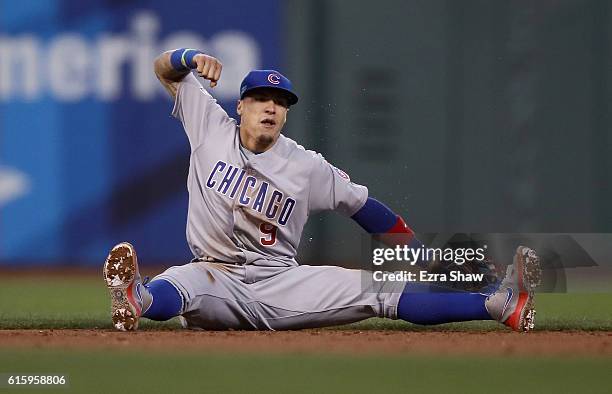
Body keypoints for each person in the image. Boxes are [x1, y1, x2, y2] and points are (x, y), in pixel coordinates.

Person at [103, 48, 541, 332]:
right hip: (214, 274)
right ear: (240, 106)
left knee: (380, 290)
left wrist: (423, 258)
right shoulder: (209, 125)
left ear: (287, 114)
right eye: (259, 98)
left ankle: (499, 305)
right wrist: (186, 56)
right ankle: (135, 298)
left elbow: (369, 211)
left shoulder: (306, 166)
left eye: (280, 103)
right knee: (180, 282)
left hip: (280, 282)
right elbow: (164, 69)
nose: (270, 107)